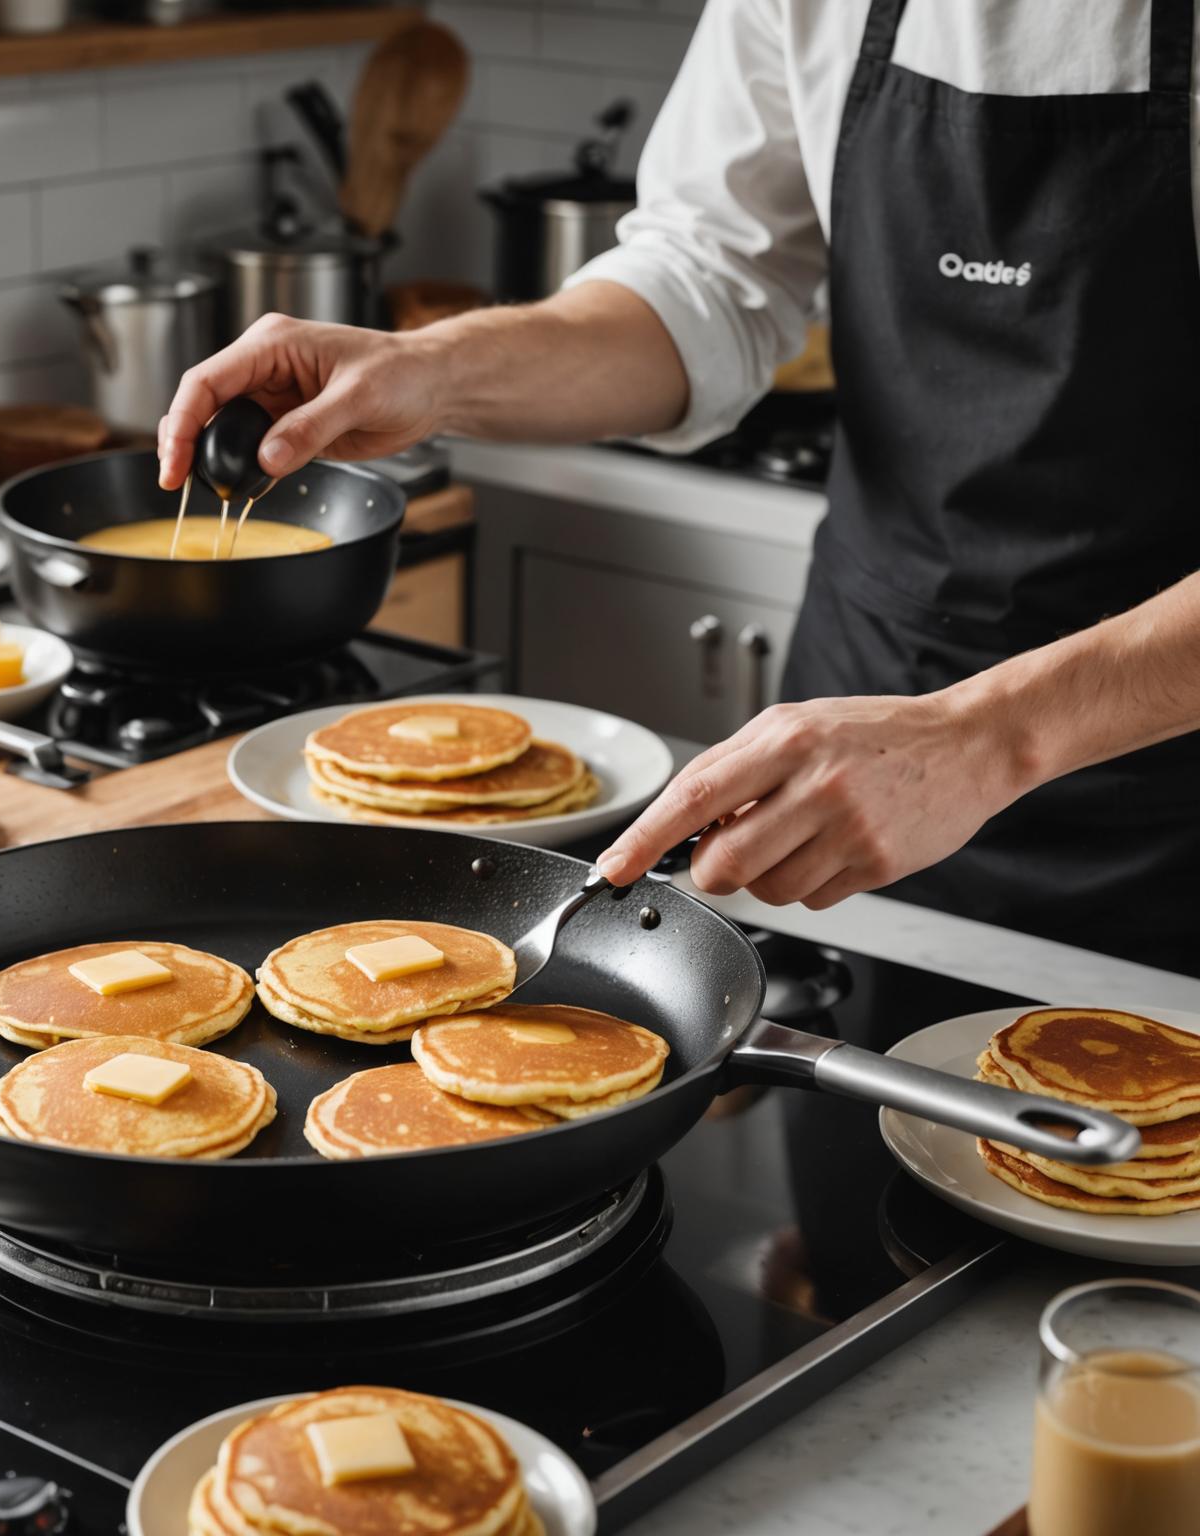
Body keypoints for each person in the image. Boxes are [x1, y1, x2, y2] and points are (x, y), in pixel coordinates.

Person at [159, 0, 1200, 973]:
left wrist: (996, 736)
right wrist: (434, 372)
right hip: (860, 714)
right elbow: (706, 282)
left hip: (1162, 783)